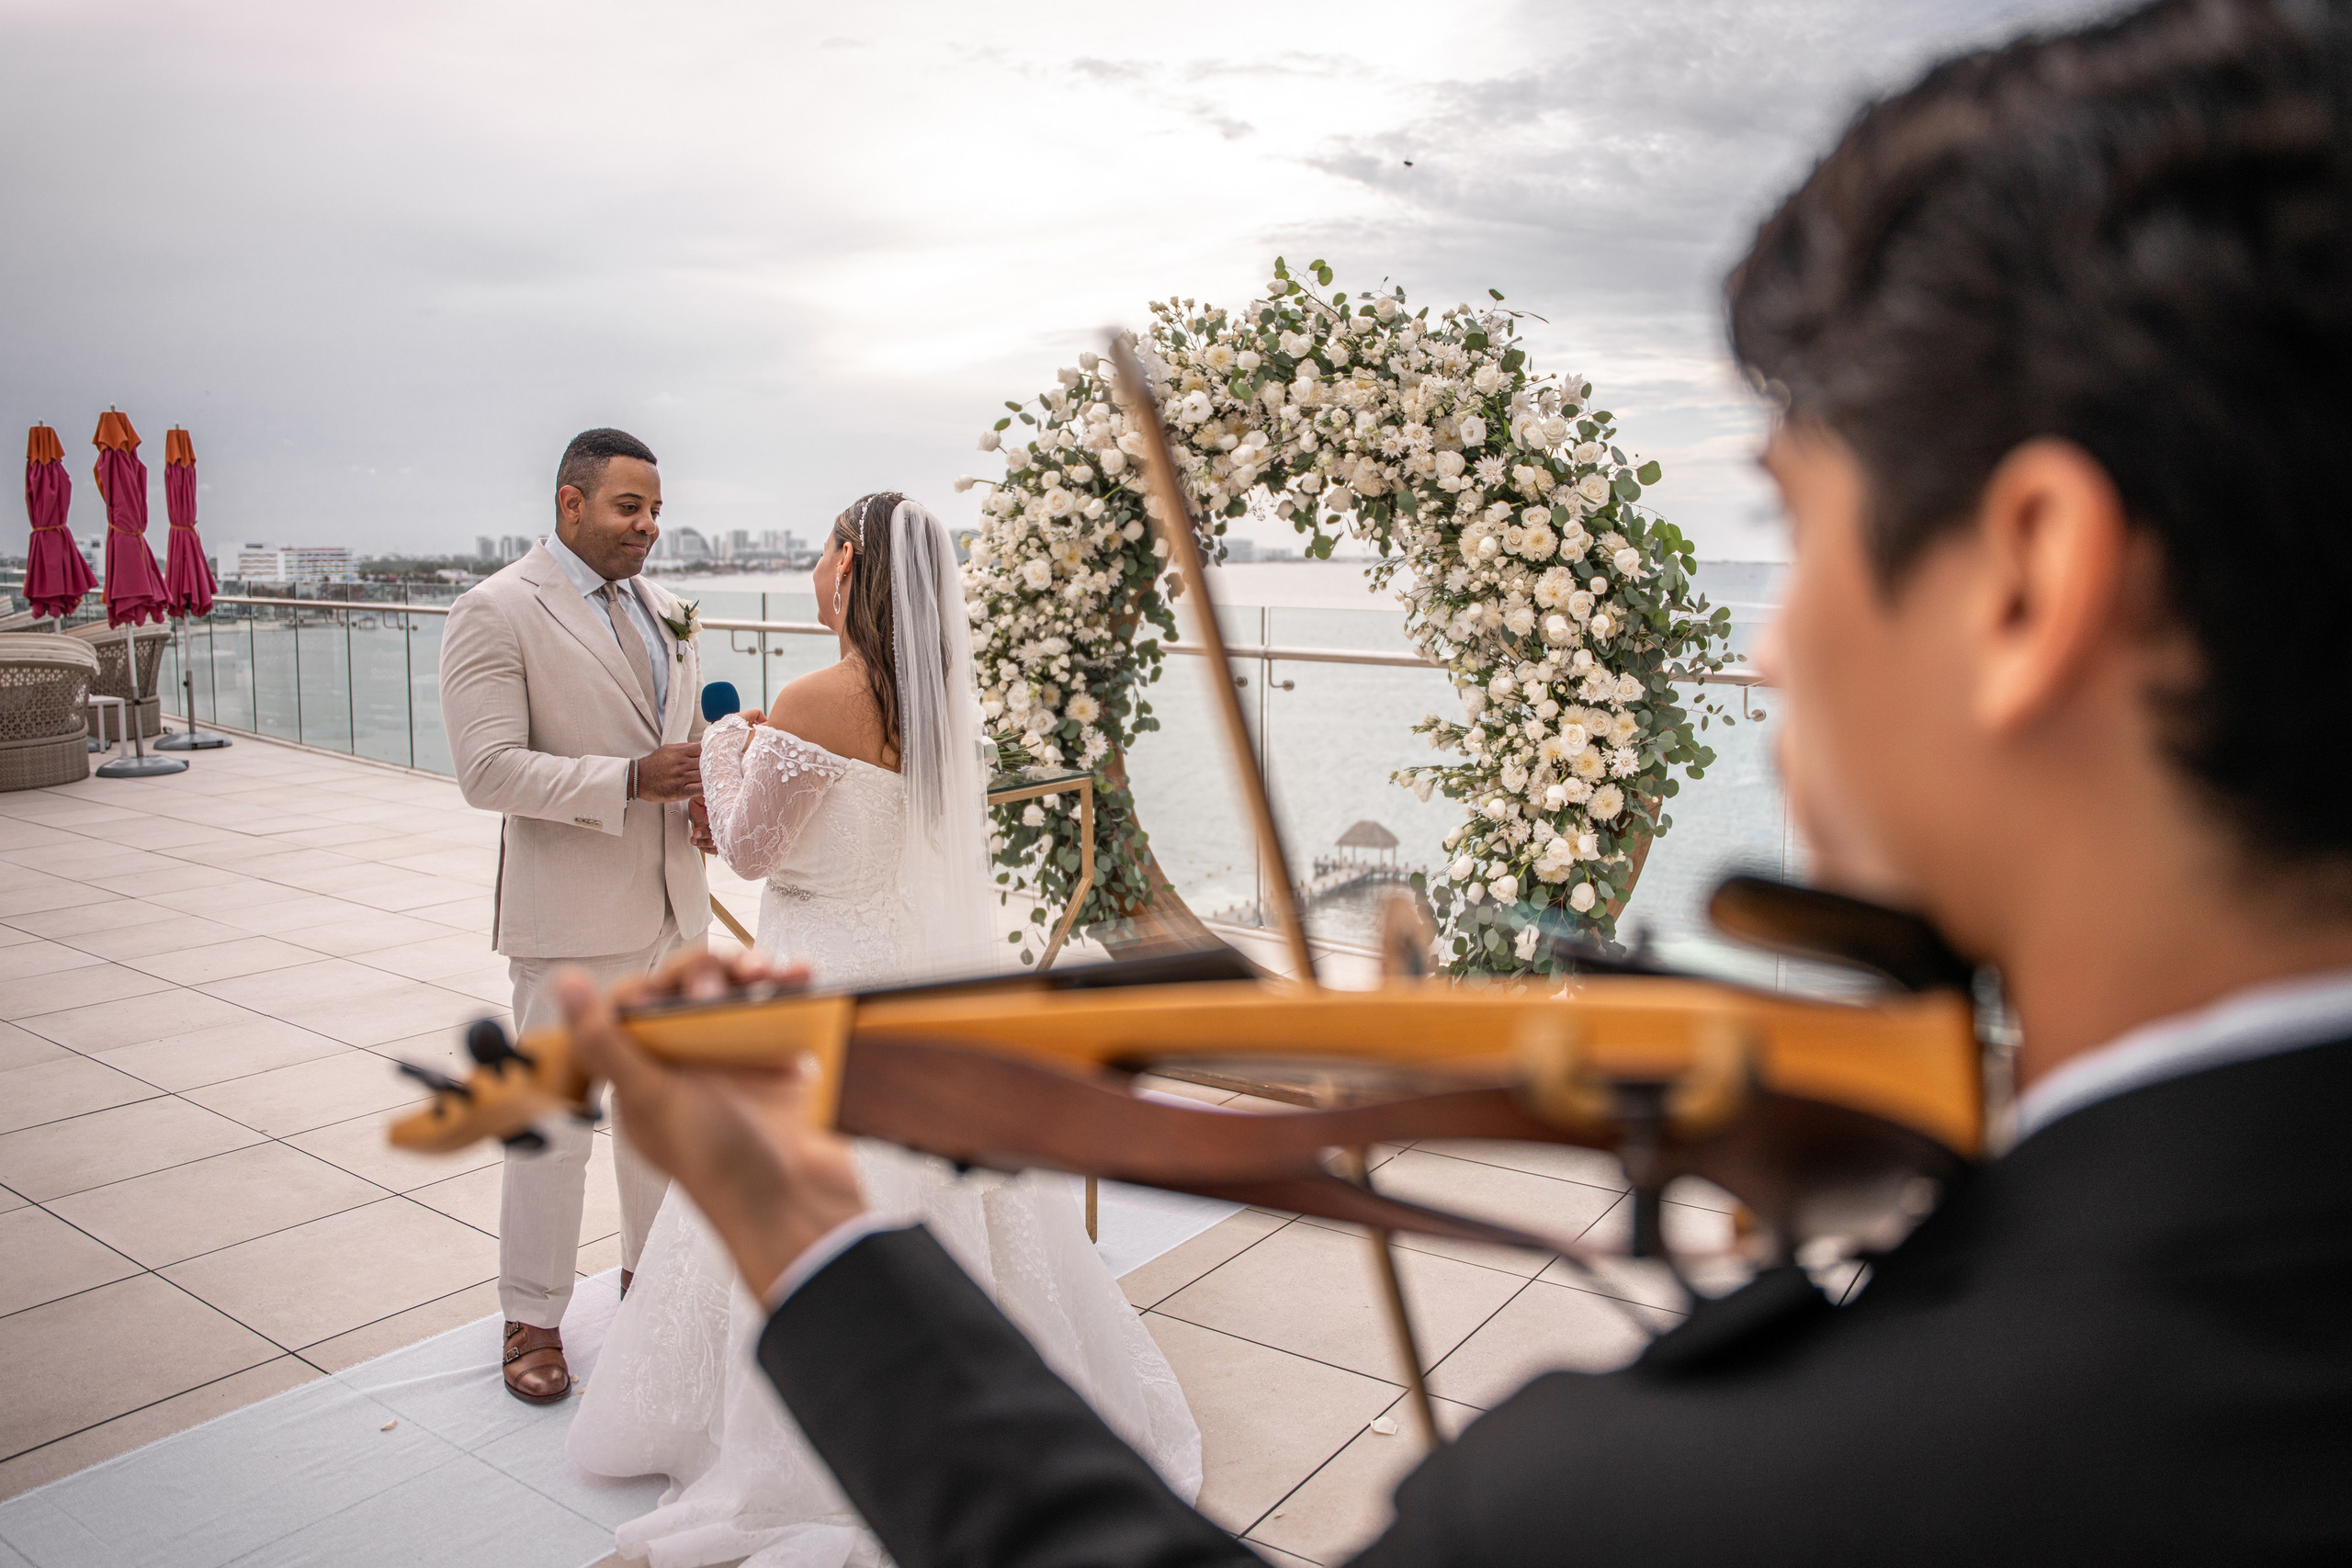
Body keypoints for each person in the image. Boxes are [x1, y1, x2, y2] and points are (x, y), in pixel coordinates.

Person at [562, 0, 2352, 1558]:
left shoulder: (1673, 1502)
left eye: (1800, 531)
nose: (1762, 650)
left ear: (2028, 578)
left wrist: (812, 1245)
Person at [566, 493, 1201, 1568]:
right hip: (910, 974)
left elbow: (752, 852)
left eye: (822, 551)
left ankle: (816, 1436)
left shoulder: (816, 696)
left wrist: (726, 744)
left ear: (851, 562)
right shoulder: (938, 695)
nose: (815, 570)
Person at [438, 427, 711, 1404]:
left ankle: (652, 1286)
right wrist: (628, 780)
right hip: (569, 918)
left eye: (656, 510)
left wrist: (705, 795)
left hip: (674, 910)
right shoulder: (495, 609)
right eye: (629, 508)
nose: (648, 527)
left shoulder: (668, 609)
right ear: (571, 503)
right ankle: (533, 1318)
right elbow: (486, 771)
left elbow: (682, 740)